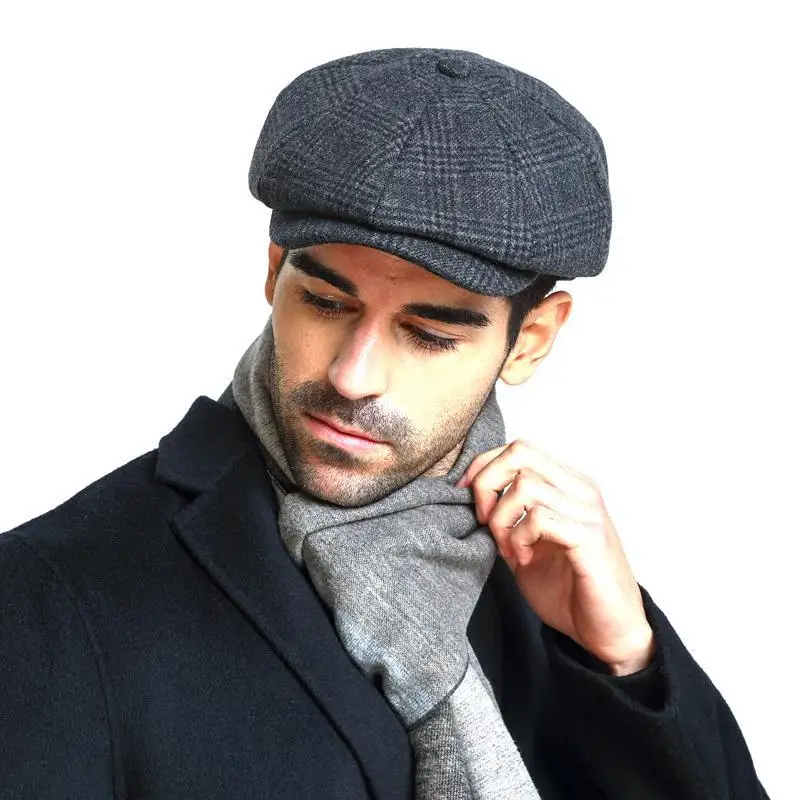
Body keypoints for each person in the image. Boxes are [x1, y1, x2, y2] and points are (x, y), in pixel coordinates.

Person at [0, 47, 769, 800]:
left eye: (428, 335)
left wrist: (626, 658)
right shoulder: (52, 597)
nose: (353, 375)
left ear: (530, 340)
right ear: (274, 272)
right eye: (325, 302)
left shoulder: (543, 575)